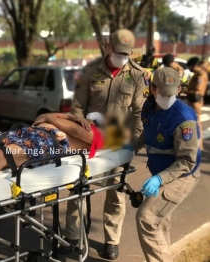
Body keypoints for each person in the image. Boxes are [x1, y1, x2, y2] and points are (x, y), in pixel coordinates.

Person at [62, 28, 147, 259]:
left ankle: (112, 240)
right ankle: (71, 235)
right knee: (78, 188)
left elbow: (139, 113)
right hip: (90, 140)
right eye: (119, 52)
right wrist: (79, 129)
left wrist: (134, 145)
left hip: (119, 141)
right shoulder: (90, 71)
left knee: (116, 192)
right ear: (109, 47)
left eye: (127, 53)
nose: (123, 57)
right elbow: (77, 107)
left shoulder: (137, 75)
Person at [125, 67, 201, 262]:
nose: (168, 98)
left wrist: (160, 179)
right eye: (163, 93)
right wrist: (131, 149)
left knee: (147, 218)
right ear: (153, 89)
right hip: (162, 171)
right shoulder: (150, 107)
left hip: (183, 174)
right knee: (158, 221)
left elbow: (187, 161)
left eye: (172, 93)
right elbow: (147, 133)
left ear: (178, 89)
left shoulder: (184, 119)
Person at [0, 112, 126, 178]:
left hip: (48, 142)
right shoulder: (85, 123)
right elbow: (41, 118)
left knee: (5, 155)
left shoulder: (100, 134)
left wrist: (51, 118)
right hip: (33, 133)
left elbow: (76, 132)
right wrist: (70, 116)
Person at [185, 56, 208, 150]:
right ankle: (194, 144)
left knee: (197, 123)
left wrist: (185, 91)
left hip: (195, 101)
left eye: (190, 67)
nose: (189, 69)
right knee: (192, 122)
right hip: (191, 101)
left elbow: (197, 91)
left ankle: (199, 145)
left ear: (195, 65)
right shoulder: (196, 74)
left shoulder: (201, 75)